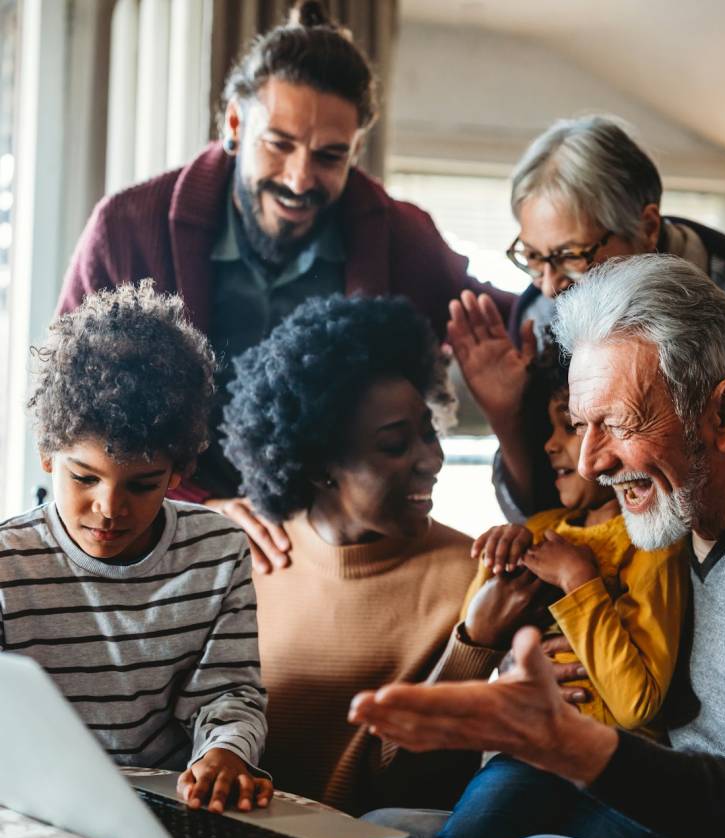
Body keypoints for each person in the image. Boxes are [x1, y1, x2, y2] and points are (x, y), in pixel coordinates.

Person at [352, 255, 725, 838]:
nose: (593, 464)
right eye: (581, 427)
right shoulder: (674, 503)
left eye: (619, 425)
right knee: (379, 832)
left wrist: (575, 746)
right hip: (672, 818)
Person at [57, 0, 512, 574]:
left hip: (326, 551)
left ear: (356, 150)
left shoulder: (400, 234)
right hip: (160, 537)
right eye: (279, 144)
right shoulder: (126, 227)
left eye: (329, 156)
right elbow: (72, 417)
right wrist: (199, 514)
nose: (300, 178)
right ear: (235, 124)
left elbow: (506, 320)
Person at [220, 294, 552, 817]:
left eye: (429, 432)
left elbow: (412, 802)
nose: (432, 460)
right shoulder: (246, 555)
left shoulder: (476, 578)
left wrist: (473, 647)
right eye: (396, 445)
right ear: (319, 465)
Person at [449, 115, 725, 521]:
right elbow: (555, 498)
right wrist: (510, 418)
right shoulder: (541, 311)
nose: (550, 285)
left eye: (572, 256)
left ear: (647, 227)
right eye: (533, 258)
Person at [0, 283, 272, 815]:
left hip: (164, 804)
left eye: (142, 485)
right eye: (85, 478)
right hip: (30, 808)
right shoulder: (8, 563)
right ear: (48, 455)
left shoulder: (217, 552)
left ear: (180, 471)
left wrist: (223, 753)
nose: (109, 508)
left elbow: (228, 693)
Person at [432, 335, 688, 838]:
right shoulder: (539, 532)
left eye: (568, 426)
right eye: (554, 426)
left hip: (623, 765)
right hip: (531, 752)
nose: (552, 444)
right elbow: (484, 644)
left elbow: (638, 706)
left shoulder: (653, 542)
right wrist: (495, 559)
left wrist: (578, 579)